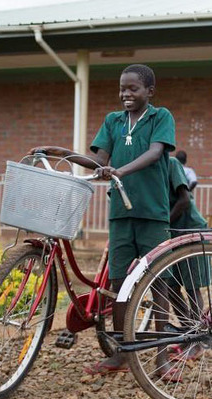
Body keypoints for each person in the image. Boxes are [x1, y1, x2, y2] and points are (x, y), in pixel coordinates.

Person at [30, 63, 175, 375]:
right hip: (120, 213)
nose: (125, 93)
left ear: (149, 91)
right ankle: (122, 351)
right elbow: (97, 161)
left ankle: (162, 355)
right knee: (119, 284)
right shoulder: (113, 121)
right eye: (122, 88)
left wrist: (120, 171)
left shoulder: (160, 117)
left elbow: (155, 152)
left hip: (153, 212)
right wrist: (61, 151)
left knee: (159, 282)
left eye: (133, 88)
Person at [161, 155, 209, 377]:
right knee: (170, 287)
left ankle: (198, 342)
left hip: (190, 229)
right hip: (171, 233)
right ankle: (188, 333)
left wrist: (163, 225)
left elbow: (184, 200)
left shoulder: (171, 164)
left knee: (192, 287)